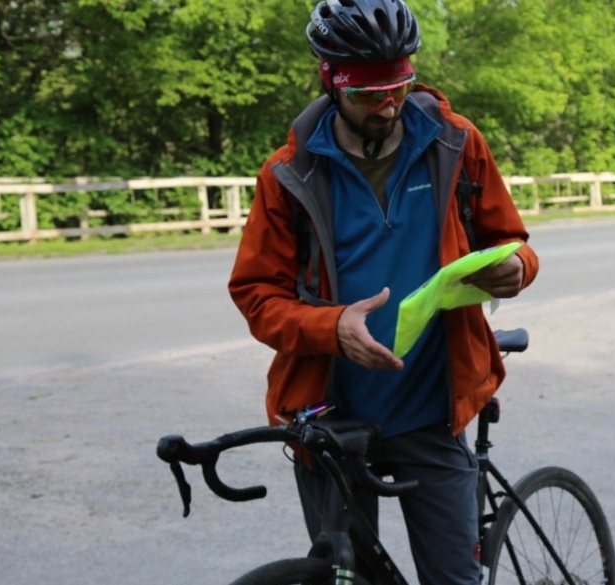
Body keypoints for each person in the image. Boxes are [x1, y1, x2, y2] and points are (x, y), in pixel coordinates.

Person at [227, 1, 538, 583]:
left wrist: (518, 268)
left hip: (430, 410)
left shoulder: (455, 142)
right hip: (330, 418)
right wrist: (332, 328)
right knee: (346, 578)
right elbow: (256, 294)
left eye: (400, 85)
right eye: (369, 94)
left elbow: (510, 238)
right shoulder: (288, 174)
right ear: (330, 79)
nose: (388, 104)